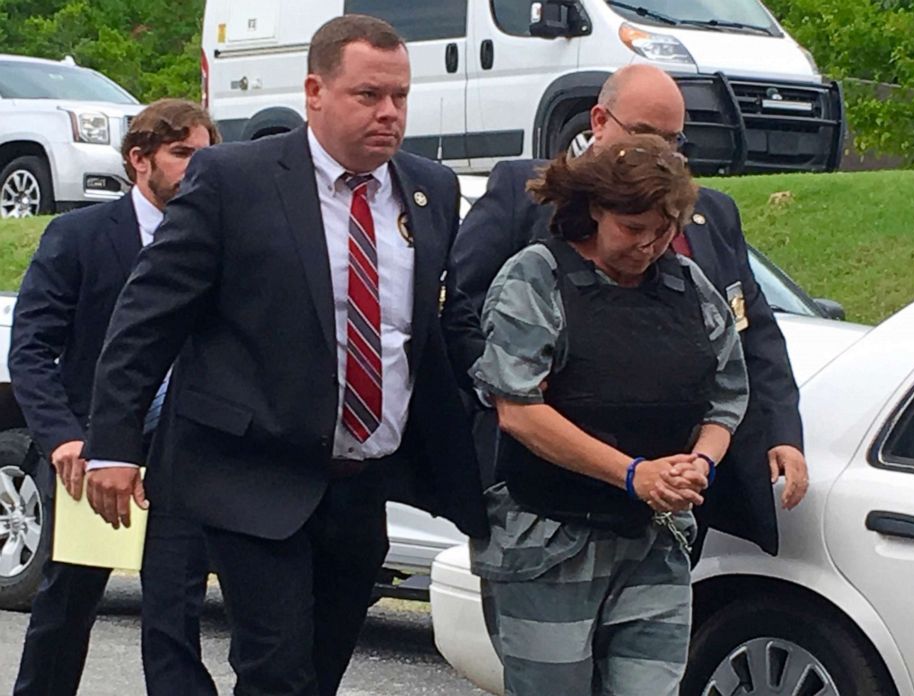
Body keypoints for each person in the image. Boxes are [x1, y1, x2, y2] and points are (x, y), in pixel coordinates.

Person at [80, 15, 488, 695]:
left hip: (361, 482)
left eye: (401, 97)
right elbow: (146, 319)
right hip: (253, 473)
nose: (389, 114)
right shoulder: (234, 180)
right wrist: (114, 445)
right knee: (276, 670)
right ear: (315, 92)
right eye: (367, 96)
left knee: (317, 673)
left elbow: (431, 327)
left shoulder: (430, 190)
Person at [444, 64, 808, 560]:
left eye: (672, 140)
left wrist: (783, 431)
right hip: (543, 488)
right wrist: (507, 385)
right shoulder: (521, 192)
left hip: (668, 493)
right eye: (643, 133)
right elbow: (462, 306)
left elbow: (752, 332)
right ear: (599, 120)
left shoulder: (713, 213)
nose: (659, 151)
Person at [470, 134, 748, 695]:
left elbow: (728, 393)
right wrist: (633, 473)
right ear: (597, 211)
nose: (648, 246)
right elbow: (518, 410)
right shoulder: (538, 277)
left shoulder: (688, 285)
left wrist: (700, 463)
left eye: (663, 231)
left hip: (654, 541)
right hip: (550, 539)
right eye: (633, 230)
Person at [8, 99, 219, 696]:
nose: (196, 169)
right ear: (139, 159)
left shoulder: (218, 243)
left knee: (174, 608)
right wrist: (64, 438)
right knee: (67, 603)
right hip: (90, 448)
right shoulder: (78, 237)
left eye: (207, 156)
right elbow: (30, 350)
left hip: (185, 453)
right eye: (181, 154)